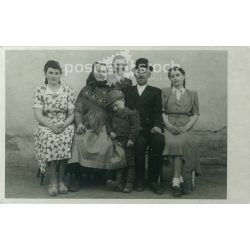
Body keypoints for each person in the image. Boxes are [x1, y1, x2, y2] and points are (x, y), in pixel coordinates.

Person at [68, 62, 126, 183]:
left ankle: (101, 174)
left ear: (107, 74)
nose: (101, 73)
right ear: (93, 72)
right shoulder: (85, 91)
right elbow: (78, 110)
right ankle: (77, 176)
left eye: (103, 71)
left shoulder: (112, 90)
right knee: (78, 140)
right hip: (86, 126)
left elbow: (118, 110)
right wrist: (79, 124)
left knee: (108, 143)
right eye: (98, 71)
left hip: (105, 126)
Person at [33, 60, 75, 196]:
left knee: (66, 138)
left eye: (57, 73)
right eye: (50, 73)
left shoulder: (67, 90)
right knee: (50, 138)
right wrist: (51, 125)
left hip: (65, 123)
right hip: (45, 124)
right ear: (45, 73)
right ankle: (53, 180)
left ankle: (61, 180)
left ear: (60, 75)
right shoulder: (40, 90)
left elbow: (72, 114)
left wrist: (63, 125)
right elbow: (38, 114)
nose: (53, 76)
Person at [123, 58, 165, 195]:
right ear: (134, 73)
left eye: (144, 72)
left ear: (149, 74)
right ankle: (139, 179)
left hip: (151, 127)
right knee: (139, 144)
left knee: (158, 141)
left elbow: (158, 112)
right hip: (135, 129)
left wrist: (158, 125)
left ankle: (153, 180)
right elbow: (124, 111)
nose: (141, 75)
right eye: (138, 71)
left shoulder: (156, 91)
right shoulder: (127, 90)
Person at [162, 66, 200, 197]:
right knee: (172, 142)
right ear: (170, 79)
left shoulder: (192, 94)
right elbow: (161, 112)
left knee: (182, 142)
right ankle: (179, 181)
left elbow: (195, 114)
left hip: (186, 125)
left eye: (178, 75)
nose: (175, 78)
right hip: (169, 125)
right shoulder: (165, 92)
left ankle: (176, 181)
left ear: (183, 76)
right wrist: (167, 125)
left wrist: (186, 127)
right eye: (172, 76)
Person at [106, 89, 140, 193]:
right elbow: (108, 124)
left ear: (123, 101)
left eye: (116, 105)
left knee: (130, 163)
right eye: (113, 108)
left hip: (127, 142)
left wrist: (131, 139)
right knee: (119, 162)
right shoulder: (112, 115)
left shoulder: (132, 113)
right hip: (117, 142)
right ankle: (119, 182)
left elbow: (135, 127)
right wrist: (110, 131)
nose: (115, 109)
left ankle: (129, 183)